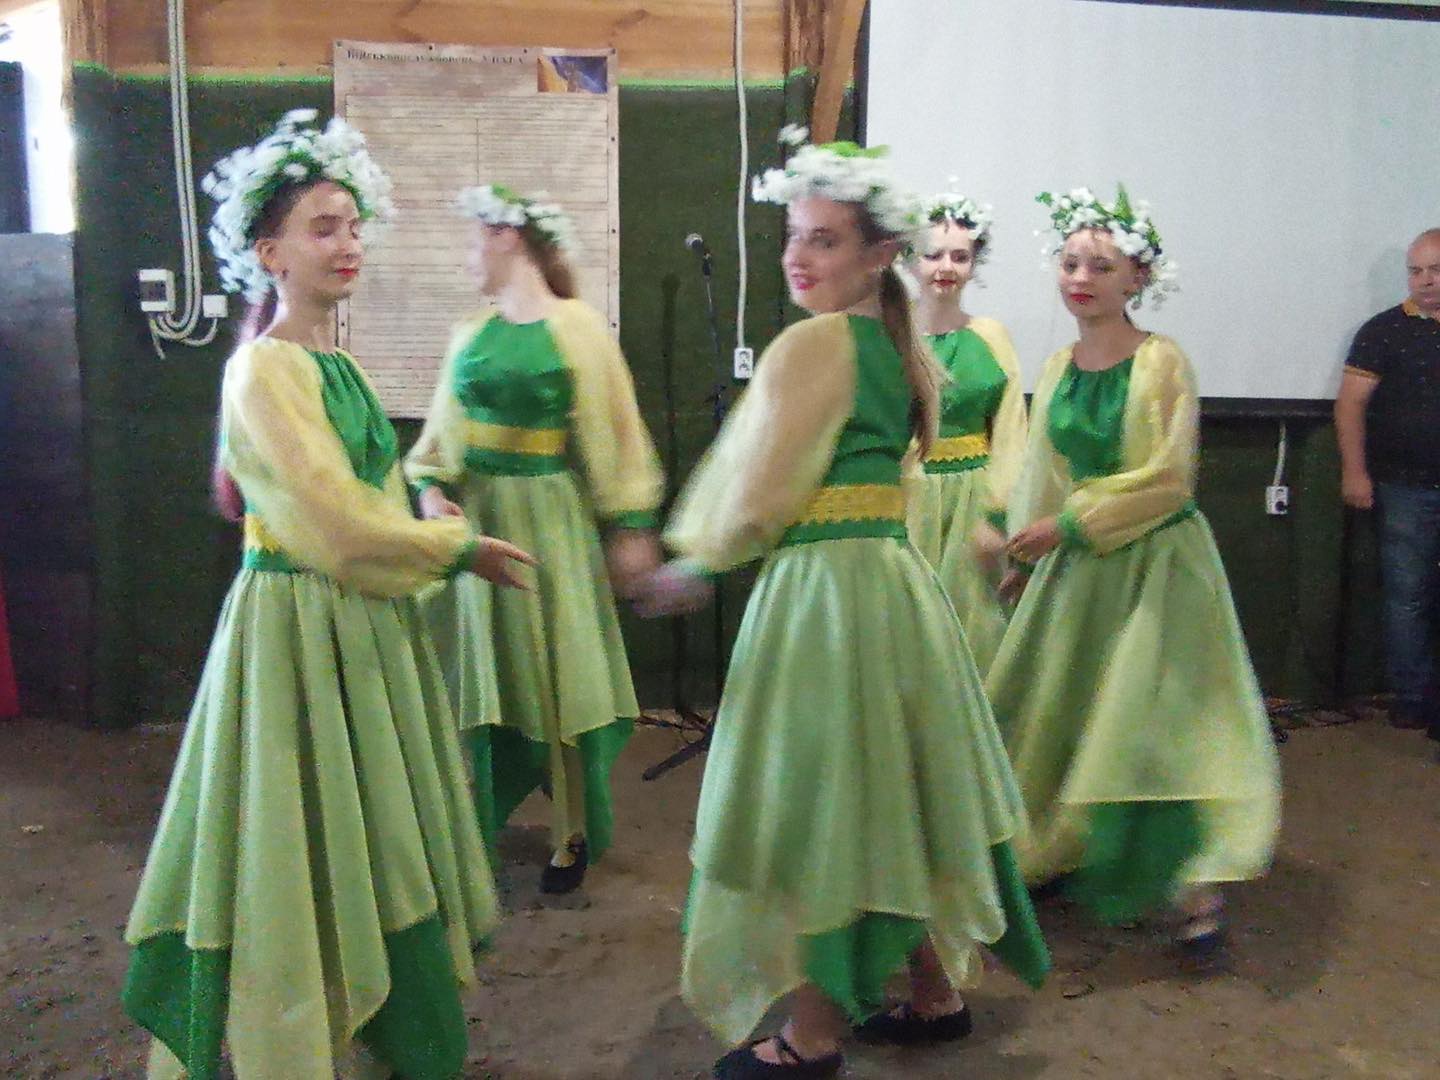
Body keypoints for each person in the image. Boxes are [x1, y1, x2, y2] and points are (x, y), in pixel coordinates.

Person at [121, 110, 533, 1080]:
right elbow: (334, 525)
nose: (347, 243)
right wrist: (454, 546)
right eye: (322, 227)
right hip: (298, 630)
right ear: (269, 253)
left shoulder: (336, 365)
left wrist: (424, 518)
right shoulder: (262, 371)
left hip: (361, 630)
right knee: (298, 836)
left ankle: (395, 1029)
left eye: (352, 225)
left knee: (377, 831)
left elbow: (368, 504)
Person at [638, 129, 1048, 1080]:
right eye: (794, 235)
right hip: (887, 585)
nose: (798, 255)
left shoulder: (817, 343)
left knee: (834, 805)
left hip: (826, 596)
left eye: (823, 239)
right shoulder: (891, 345)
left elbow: (759, 490)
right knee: (883, 789)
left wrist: (694, 562)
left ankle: (813, 1037)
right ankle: (934, 994)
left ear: (877, 254)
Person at [986, 186, 1281, 956]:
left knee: (1153, 719)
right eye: (1070, 263)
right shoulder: (1058, 366)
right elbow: (1044, 474)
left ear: (1137, 279)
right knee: (1069, 706)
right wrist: (1026, 557)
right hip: (1080, 570)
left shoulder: (1162, 361)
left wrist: (1070, 526)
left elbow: (1169, 479)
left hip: (1155, 566)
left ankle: (1191, 886)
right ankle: (1065, 845)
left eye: (1101, 266)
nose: (1080, 278)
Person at [406, 184, 663, 894]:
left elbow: (616, 433)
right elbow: (440, 436)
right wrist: (430, 491)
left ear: (507, 237)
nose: (468, 259)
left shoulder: (579, 328)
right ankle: (470, 821)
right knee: (477, 670)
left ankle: (569, 829)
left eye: (474, 241)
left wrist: (630, 522)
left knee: (556, 675)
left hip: (549, 523)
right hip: (478, 522)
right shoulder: (471, 333)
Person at [905, 189, 1027, 673]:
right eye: (933, 255)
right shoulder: (886, 334)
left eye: (960, 257)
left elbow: (1012, 431)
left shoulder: (991, 336)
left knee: (973, 635)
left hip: (973, 501)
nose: (946, 267)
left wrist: (997, 516)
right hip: (906, 499)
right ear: (908, 260)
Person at [1334, 228, 1440, 742]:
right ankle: (1412, 700)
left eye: (1436, 270)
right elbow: (1350, 404)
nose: (1425, 281)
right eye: (1416, 271)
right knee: (1408, 596)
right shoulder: (1383, 330)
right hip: (1404, 486)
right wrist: (1355, 471)